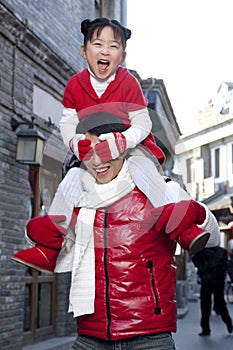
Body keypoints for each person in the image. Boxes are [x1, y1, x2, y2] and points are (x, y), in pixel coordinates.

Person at [11, 18, 211, 272]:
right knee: (70, 181)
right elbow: (67, 124)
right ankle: (50, 248)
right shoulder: (75, 85)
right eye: (98, 44)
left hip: (132, 147)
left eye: (113, 46)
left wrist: (121, 141)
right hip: (92, 150)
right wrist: (76, 144)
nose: (105, 51)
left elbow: (142, 125)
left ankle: (185, 229)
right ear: (84, 51)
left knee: (148, 176)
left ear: (123, 55)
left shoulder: (128, 82)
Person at [14, 113, 220, 350]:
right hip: (91, 336)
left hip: (149, 338)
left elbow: (212, 236)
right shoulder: (78, 197)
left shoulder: (160, 188)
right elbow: (51, 245)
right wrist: (41, 231)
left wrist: (196, 213)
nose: (96, 161)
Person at [192, 246, 233, 336]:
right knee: (221, 304)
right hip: (218, 281)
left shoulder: (201, 252)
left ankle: (206, 329)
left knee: (205, 306)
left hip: (206, 281)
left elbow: (195, 260)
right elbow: (226, 264)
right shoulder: (222, 251)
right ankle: (229, 323)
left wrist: (202, 271)